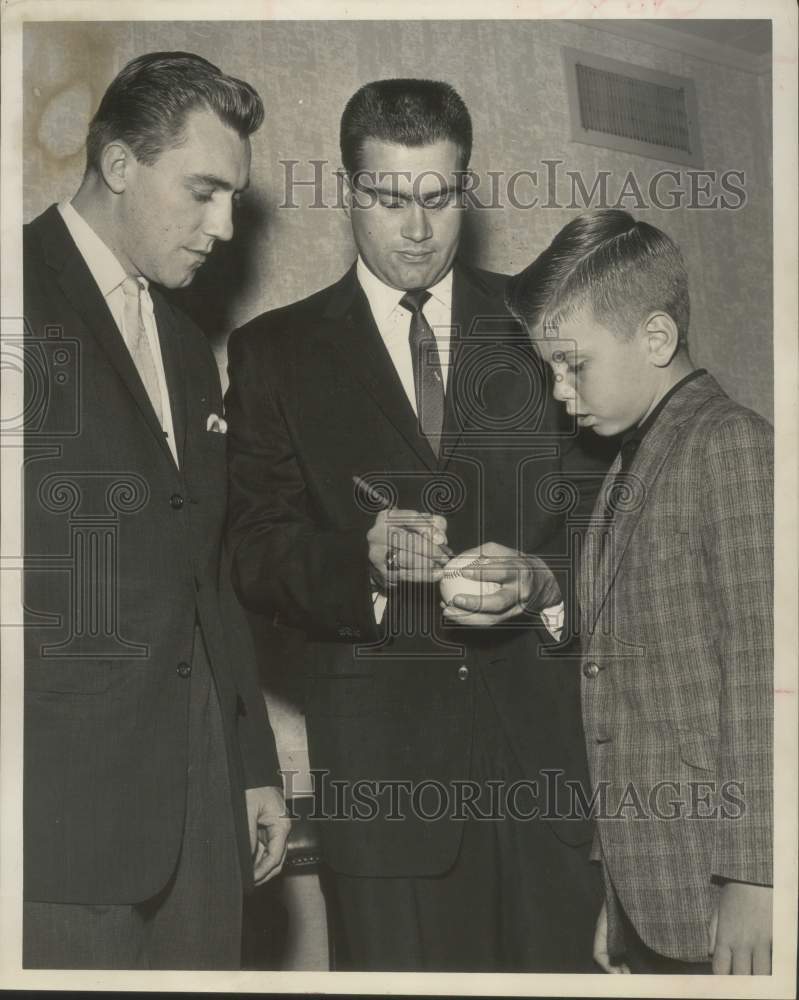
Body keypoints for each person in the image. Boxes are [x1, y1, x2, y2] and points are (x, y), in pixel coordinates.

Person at [224, 78, 608, 972]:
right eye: (390, 199)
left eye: (438, 198)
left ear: (463, 191)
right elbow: (252, 550)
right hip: (387, 799)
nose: (416, 228)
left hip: (545, 784)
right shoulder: (274, 352)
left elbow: (609, 520)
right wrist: (359, 564)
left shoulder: (540, 324)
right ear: (348, 190)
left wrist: (545, 582)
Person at [23, 51, 290, 970]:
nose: (222, 227)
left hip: (200, 801)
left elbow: (205, 568)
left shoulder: (183, 343)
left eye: (234, 201)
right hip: (53, 804)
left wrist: (250, 763)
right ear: (120, 164)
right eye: (204, 191)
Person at [505, 209, 773, 975]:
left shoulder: (730, 445)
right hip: (656, 886)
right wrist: (618, 892)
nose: (559, 391)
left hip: (726, 882)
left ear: (655, 339)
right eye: (550, 369)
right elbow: (619, 702)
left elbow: (765, 680)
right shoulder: (628, 464)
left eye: (572, 364)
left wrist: (756, 872)